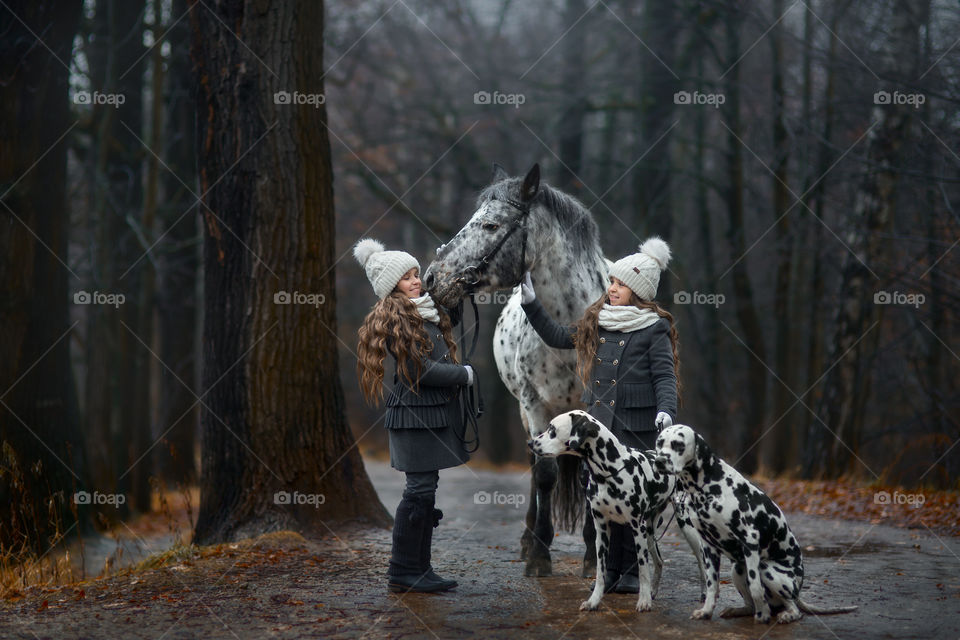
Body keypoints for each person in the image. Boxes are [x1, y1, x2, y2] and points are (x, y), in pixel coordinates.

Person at [518, 237, 682, 594]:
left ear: (638, 292)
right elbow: (557, 336)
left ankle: (631, 573)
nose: (612, 289)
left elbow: (665, 376)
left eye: (621, 284)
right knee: (605, 500)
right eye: (611, 282)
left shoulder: (654, 327)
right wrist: (531, 305)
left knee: (632, 503)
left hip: (637, 427)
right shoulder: (598, 320)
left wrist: (666, 412)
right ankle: (607, 571)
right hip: (600, 427)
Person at [354, 238, 475, 594]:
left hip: (427, 416)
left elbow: (447, 315)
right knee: (419, 491)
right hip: (414, 416)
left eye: (415, 274)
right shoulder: (399, 319)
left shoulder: (422, 312)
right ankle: (404, 570)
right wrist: (464, 374)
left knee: (425, 490)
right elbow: (419, 370)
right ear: (391, 286)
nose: (416, 281)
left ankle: (418, 568)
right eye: (406, 278)